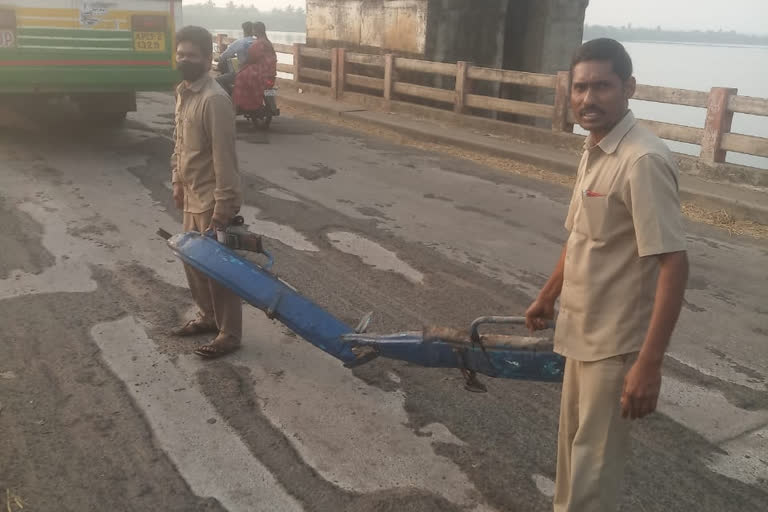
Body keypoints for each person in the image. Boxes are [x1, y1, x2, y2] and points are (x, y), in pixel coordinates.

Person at [525, 38, 689, 512]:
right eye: (580, 87)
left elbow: (673, 264)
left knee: (593, 477)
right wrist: (547, 296)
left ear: (628, 88)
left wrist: (650, 364)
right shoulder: (596, 147)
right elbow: (582, 237)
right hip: (580, 333)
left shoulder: (642, 161)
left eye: (602, 86)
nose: (587, 99)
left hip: (614, 348)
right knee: (572, 463)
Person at [171, 26, 243, 359]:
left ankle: (229, 333)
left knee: (219, 272)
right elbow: (180, 143)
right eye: (181, 53)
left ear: (207, 58)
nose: (185, 60)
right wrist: (176, 181)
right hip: (190, 195)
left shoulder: (214, 100)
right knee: (193, 265)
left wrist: (223, 208)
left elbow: (224, 158)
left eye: (192, 55)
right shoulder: (184, 92)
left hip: (212, 201)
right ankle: (208, 317)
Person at [233, 21, 277, 112]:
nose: (252, 32)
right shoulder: (267, 42)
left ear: (256, 31)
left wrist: (243, 64)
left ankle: (243, 105)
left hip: (261, 72)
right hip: (270, 72)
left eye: (253, 30)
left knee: (239, 77)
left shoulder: (258, 43)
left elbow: (251, 58)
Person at [216, 21, 256, 94]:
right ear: (253, 31)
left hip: (244, 73)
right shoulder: (258, 42)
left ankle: (231, 96)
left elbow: (226, 54)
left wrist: (219, 58)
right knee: (269, 90)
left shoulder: (240, 42)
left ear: (243, 30)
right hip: (259, 73)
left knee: (217, 80)